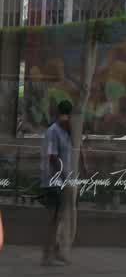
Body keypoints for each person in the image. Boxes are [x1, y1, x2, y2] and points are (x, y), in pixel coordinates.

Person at [42, 100, 74, 267]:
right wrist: (62, 175)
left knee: (58, 219)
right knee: (53, 220)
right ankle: (47, 256)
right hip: (53, 181)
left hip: (62, 181)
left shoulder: (65, 132)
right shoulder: (53, 132)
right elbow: (52, 157)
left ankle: (54, 253)